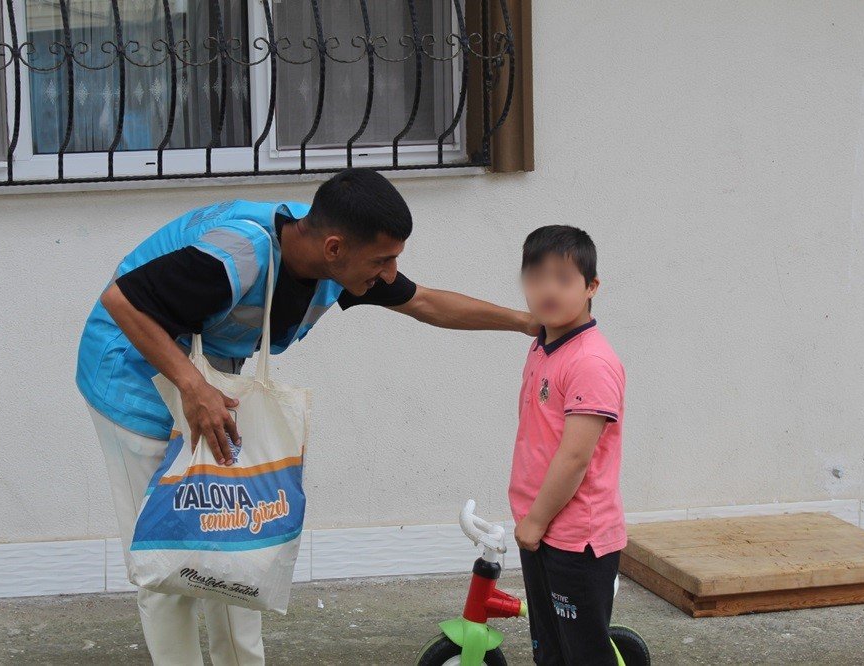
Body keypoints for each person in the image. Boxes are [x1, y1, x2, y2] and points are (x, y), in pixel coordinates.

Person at [76, 168, 537, 665]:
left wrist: (528, 323)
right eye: (383, 260)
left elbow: (422, 300)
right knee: (167, 560)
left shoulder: (326, 252)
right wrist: (192, 386)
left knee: (232, 548)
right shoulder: (236, 255)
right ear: (334, 248)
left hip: (208, 387)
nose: (388, 273)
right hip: (133, 380)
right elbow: (120, 300)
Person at [509, 225, 627, 665]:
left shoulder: (591, 362)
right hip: (542, 528)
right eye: (536, 276)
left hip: (576, 537)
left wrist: (536, 521)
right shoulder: (544, 346)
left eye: (562, 278)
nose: (547, 289)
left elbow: (576, 456)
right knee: (549, 650)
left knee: (583, 655)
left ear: (591, 286)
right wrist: (534, 521)